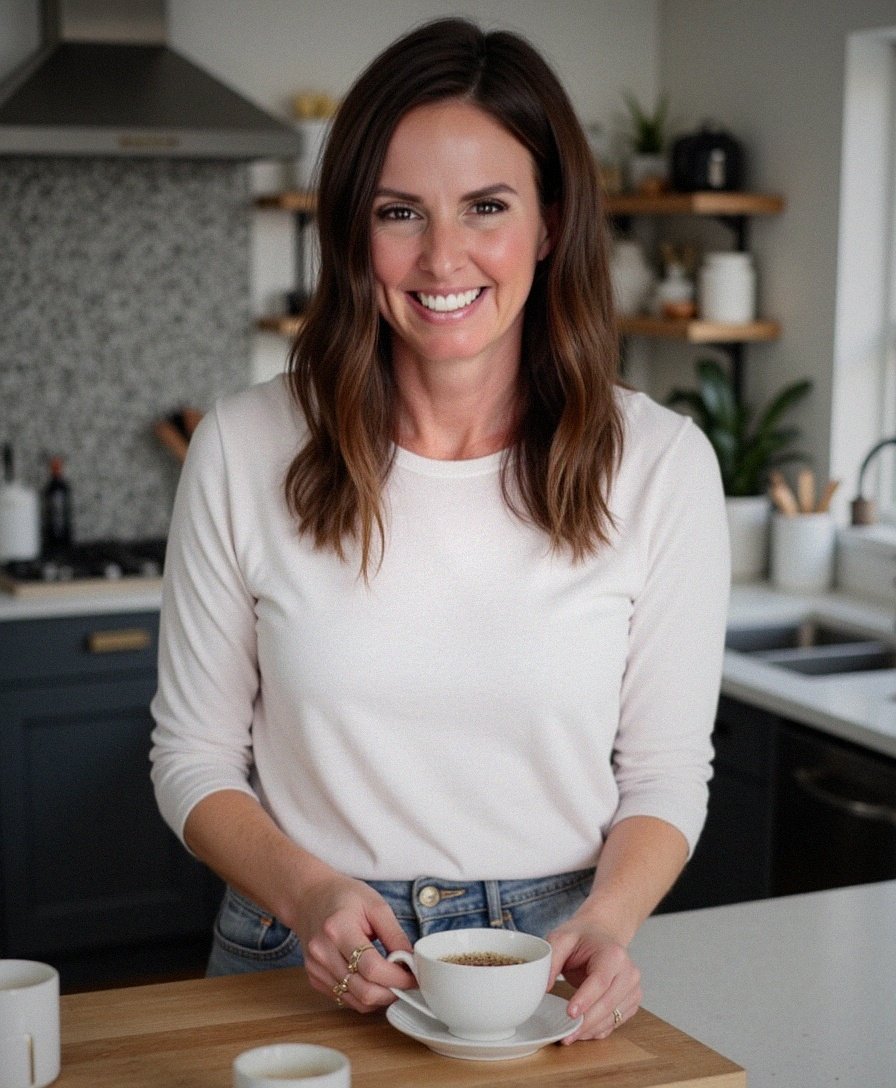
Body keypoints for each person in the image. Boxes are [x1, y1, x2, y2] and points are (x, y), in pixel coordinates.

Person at [150, 17, 729, 1045]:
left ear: (549, 223)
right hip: (300, 952)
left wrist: (605, 918)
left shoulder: (659, 463)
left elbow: (663, 772)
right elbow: (192, 754)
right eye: (400, 211)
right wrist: (307, 892)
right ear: (351, 229)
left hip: (546, 968)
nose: (441, 255)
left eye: (486, 207)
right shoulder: (243, 447)